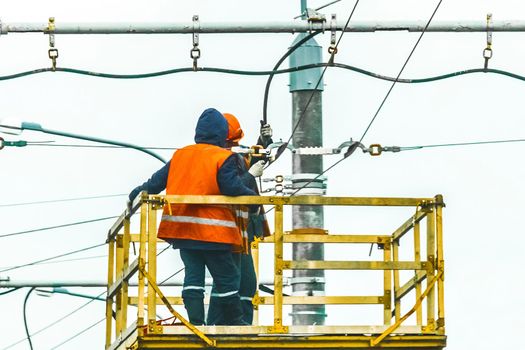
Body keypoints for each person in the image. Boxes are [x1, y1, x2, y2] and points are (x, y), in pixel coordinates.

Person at [128, 108, 258, 326]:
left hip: (182, 232)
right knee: (228, 279)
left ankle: (196, 323)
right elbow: (231, 186)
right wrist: (253, 199)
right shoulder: (223, 157)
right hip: (215, 233)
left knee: (193, 278)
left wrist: (135, 194)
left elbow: (155, 183)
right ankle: (237, 323)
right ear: (221, 134)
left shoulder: (181, 155)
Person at [206, 113, 272, 325]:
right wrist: (252, 174)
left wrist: (262, 143)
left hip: (240, 230)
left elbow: (247, 164)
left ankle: (240, 324)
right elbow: (232, 188)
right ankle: (224, 324)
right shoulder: (219, 160)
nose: (234, 146)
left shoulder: (230, 158)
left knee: (243, 282)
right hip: (228, 229)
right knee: (229, 280)